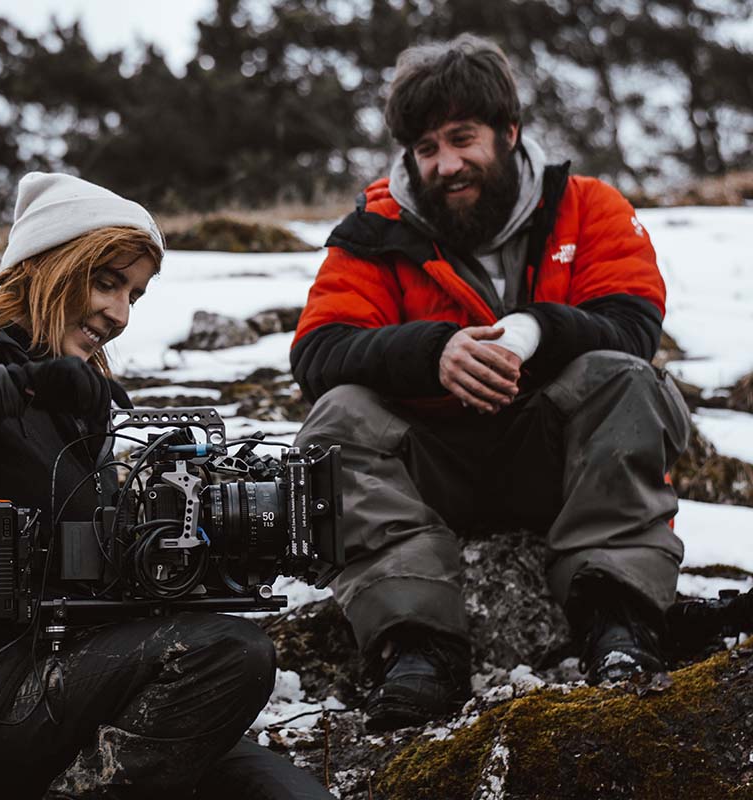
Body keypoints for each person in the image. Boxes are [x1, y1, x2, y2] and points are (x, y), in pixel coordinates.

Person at [0, 172, 331, 799]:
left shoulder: (78, 402)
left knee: (288, 794)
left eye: (135, 294)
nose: (120, 313)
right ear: (48, 265)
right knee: (228, 655)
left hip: (65, 683)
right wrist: (16, 387)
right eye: (107, 281)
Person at [289, 35, 691, 731]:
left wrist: (538, 330)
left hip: (553, 459)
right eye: (425, 149)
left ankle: (617, 618)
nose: (446, 165)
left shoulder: (589, 207)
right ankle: (417, 645)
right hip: (428, 474)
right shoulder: (372, 230)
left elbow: (633, 324)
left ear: (509, 132)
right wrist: (430, 352)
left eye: (461, 138)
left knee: (622, 378)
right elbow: (319, 352)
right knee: (338, 415)